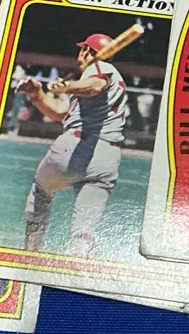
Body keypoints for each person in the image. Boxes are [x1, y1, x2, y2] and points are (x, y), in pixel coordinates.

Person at [16, 33, 128, 256]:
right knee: (84, 230)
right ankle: (77, 263)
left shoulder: (99, 67)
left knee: (41, 192)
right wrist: (37, 95)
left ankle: (30, 255)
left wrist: (67, 87)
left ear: (87, 51)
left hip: (76, 146)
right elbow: (60, 113)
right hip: (107, 157)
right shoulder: (108, 76)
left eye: (82, 49)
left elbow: (95, 86)